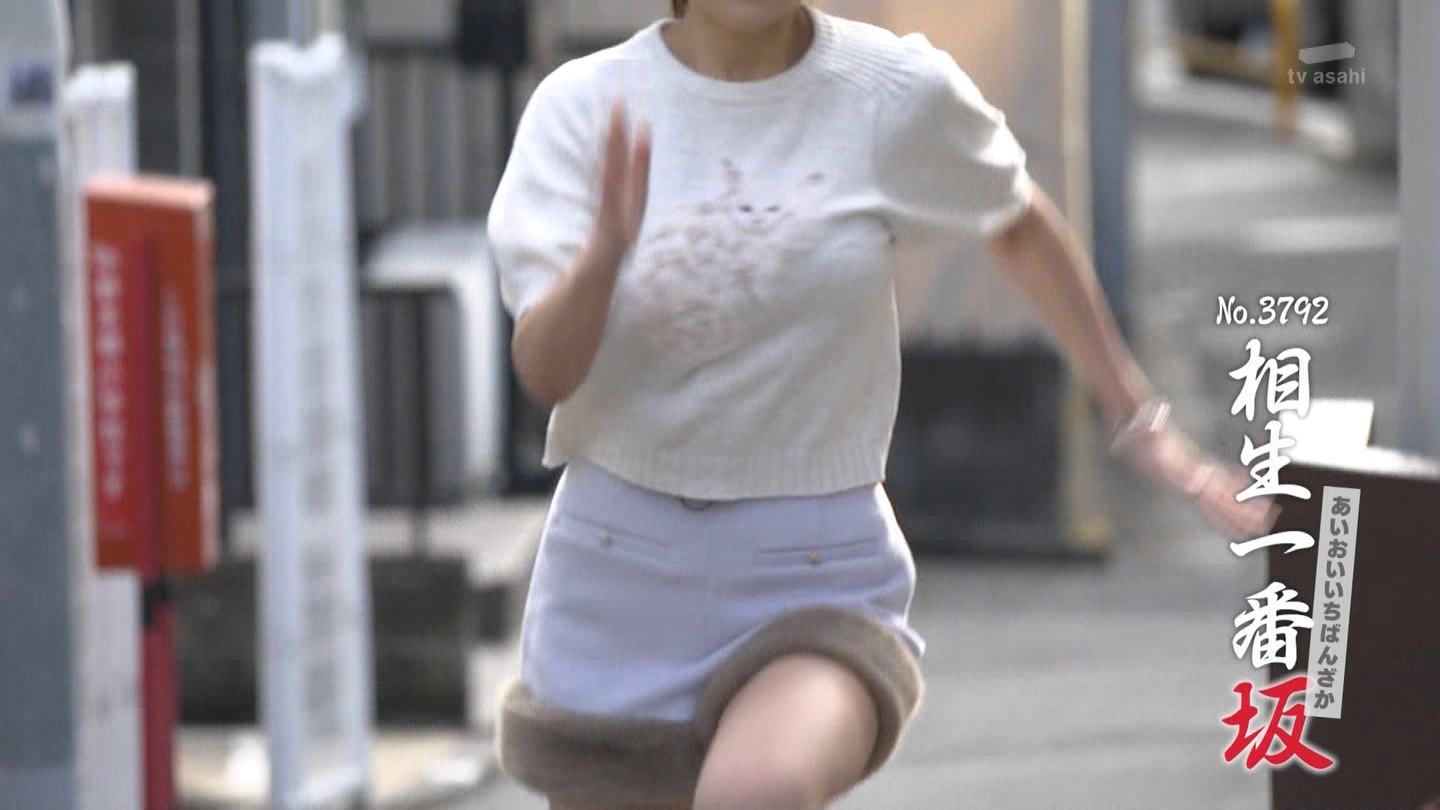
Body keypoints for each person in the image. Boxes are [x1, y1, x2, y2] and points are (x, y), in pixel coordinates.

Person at [485, 1, 1278, 808]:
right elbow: (546, 371)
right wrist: (602, 258)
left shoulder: (889, 90)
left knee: (754, 791)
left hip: (814, 574)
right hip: (619, 577)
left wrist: (1140, 421)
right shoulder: (582, 107)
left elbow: (1015, 219)